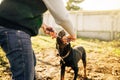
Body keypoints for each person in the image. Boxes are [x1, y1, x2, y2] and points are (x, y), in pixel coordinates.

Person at [0, 0, 76, 80]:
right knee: (24, 76)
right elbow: (62, 17)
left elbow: (24, 7)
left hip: (8, 25)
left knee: (32, 62)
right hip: (14, 29)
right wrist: (73, 34)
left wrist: (43, 25)